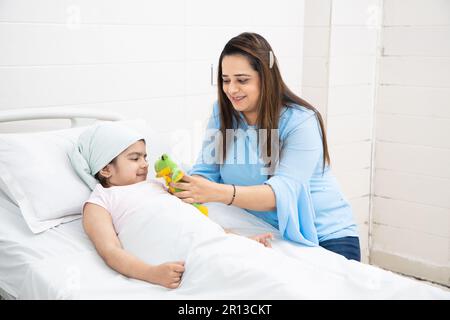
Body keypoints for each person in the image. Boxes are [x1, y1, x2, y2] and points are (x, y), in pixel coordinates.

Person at [170, 32, 361, 261]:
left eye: (242, 80)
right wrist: (186, 186)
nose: (231, 89)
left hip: (327, 235)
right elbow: (206, 173)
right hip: (264, 229)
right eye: (225, 80)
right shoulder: (222, 114)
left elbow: (282, 193)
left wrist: (218, 192)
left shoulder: (301, 121)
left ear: (266, 77)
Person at [68, 122, 274, 289]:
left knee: (256, 269)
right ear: (105, 169)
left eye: (145, 157)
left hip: (204, 237)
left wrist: (242, 240)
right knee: (234, 275)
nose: (145, 164)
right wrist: (151, 273)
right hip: (174, 248)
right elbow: (110, 251)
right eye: (134, 158)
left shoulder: (156, 184)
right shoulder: (100, 202)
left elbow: (196, 220)